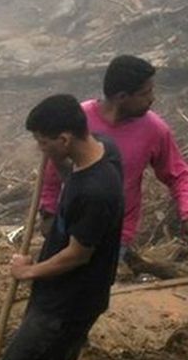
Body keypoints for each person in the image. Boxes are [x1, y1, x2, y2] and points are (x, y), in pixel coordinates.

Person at [4, 94, 123, 360]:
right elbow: (72, 177)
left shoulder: (97, 190)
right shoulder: (102, 155)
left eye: (43, 140)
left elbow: (77, 255)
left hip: (70, 298)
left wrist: (29, 272)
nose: (38, 147)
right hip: (70, 292)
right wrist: (56, 159)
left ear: (66, 137)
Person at [40, 55, 188, 250]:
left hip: (116, 231)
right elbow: (53, 167)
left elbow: (177, 175)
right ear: (122, 97)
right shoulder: (78, 119)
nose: (152, 99)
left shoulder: (155, 130)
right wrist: (48, 211)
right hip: (70, 220)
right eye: (145, 93)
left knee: (95, 279)